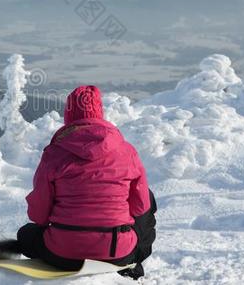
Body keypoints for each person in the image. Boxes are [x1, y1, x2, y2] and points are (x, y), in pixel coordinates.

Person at [16, 85, 157, 280]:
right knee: (146, 196)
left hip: (63, 253)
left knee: (26, 234)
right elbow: (140, 206)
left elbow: (38, 215)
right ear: (99, 114)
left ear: (69, 116)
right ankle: (130, 264)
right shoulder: (127, 151)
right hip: (117, 252)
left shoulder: (53, 154)